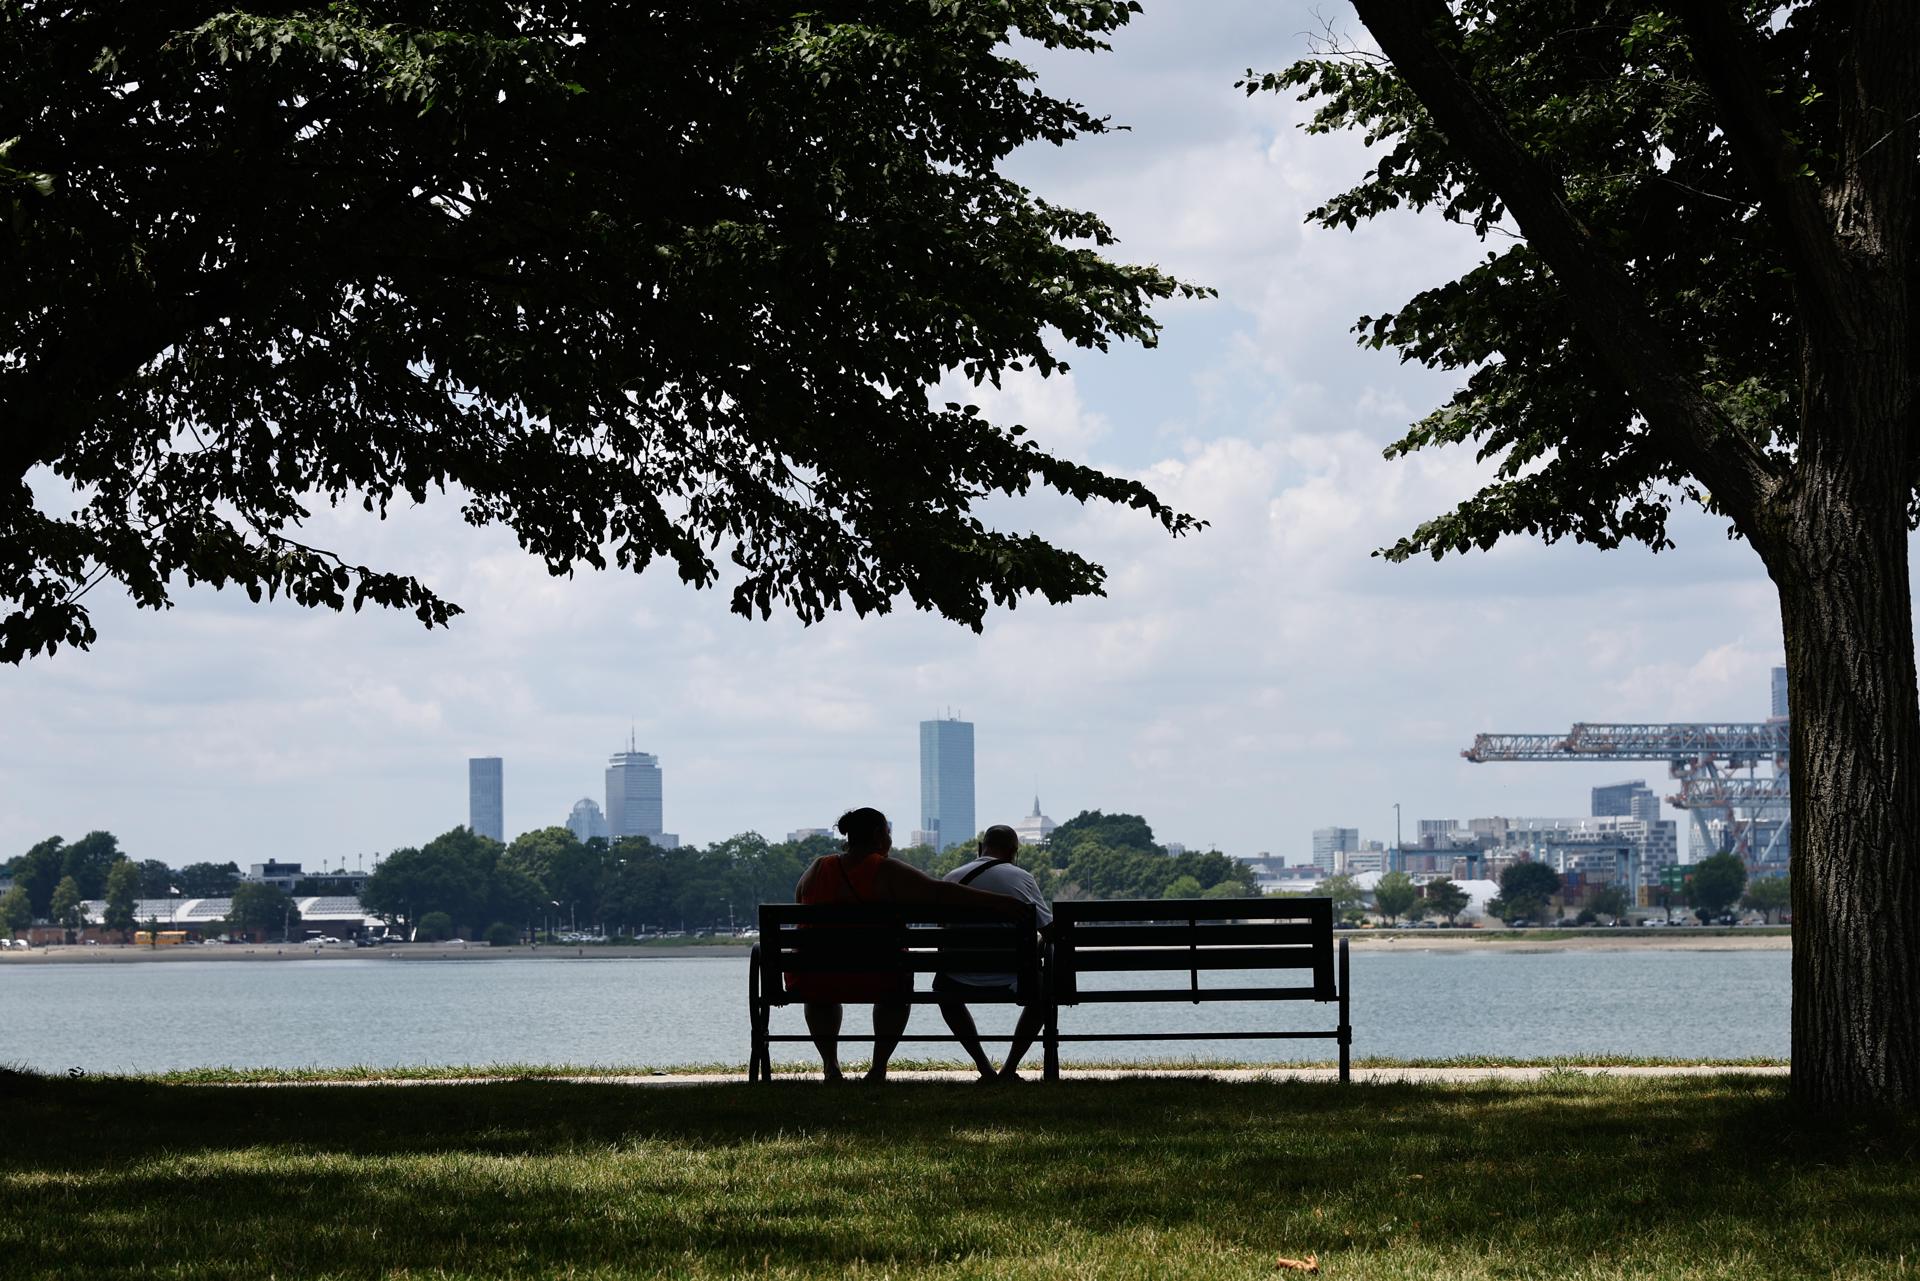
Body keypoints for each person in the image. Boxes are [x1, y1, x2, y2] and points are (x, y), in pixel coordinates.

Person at [791, 806, 1024, 1082]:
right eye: (888, 833)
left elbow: (799, 901)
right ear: (878, 835)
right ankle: (878, 1068)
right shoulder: (885, 870)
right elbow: (939, 892)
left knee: (823, 993)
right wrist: (1002, 902)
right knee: (897, 987)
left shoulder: (818, 868)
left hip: (819, 977)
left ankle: (831, 1065)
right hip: (878, 977)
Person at [934, 824, 1052, 1082]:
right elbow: (1049, 929)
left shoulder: (952, 878)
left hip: (956, 977)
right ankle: (1009, 1069)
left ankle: (984, 1068)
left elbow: (941, 932)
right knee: (1043, 992)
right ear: (1013, 852)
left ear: (980, 849)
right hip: (1012, 977)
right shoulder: (1021, 878)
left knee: (942, 992)